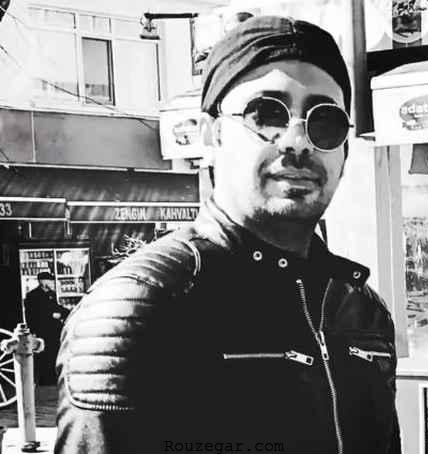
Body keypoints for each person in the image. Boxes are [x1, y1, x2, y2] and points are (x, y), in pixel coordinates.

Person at [55, 16, 401, 454]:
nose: (297, 141)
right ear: (211, 136)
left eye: (325, 122)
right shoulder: (138, 311)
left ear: (344, 152)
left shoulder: (362, 310)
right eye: (268, 114)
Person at [25, 271, 69, 385]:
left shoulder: (51, 294)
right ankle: (45, 380)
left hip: (54, 330)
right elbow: (31, 315)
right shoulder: (32, 296)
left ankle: (53, 378)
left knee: (54, 354)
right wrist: (33, 332)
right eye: (49, 281)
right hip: (41, 331)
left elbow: (56, 308)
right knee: (44, 356)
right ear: (42, 281)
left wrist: (67, 312)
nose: (51, 283)